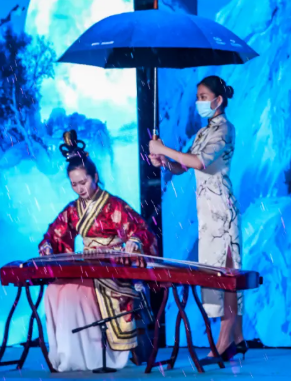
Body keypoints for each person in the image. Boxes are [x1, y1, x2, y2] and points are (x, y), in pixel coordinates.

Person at [39, 130, 158, 372]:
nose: (79, 189)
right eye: (74, 185)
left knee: (73, 294)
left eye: (83, 182)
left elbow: (140, 229)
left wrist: (134, 241)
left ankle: (96, 356)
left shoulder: (114, 205)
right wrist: (49, 245)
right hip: (88, 265)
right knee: (53, 290)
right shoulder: (73, 209)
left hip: (112, 268)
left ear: (95, 176)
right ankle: (71, 356)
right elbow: (55, 233)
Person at [148, 75, 246, 363]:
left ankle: (224, 342)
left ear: (218, 100)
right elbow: (184, 166)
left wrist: (163, 149)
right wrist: (164, 161)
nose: (199, 102)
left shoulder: (225, 129)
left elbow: (201, 162)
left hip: (222, 210)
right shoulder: (204, 132)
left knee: (226, 273)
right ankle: (238, 338)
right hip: (206, 212)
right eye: (198, 97)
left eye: (204, 97)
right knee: (218, 272)